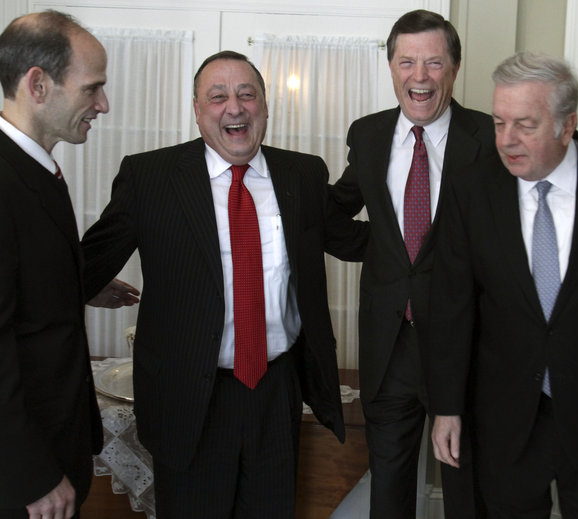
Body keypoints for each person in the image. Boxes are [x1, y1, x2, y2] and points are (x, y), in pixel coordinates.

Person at [81, 50, 367, 518]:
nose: (234, 108)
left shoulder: (303, 173)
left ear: (265, 106)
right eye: (218, 97)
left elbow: (353, 240)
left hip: (276, 391)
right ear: (197, 110)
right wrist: (84, 284)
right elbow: (84, 263)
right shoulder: (149, 177)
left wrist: (434, 225)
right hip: (189, 398)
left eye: (246, 94)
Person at [427, 51, 578, 519]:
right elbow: (452, 306)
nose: (506, 140)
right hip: (505, 415)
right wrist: (447, 408)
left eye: (525, 125)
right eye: (498, 121)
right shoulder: (472, 188)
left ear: (566, 126)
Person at [328, 9, 495, 518]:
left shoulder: (490, 138)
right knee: (389, 492)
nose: (419, 77)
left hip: (467, 346)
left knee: (468, 494)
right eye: (407, 62)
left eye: (433, 63)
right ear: (391, 67)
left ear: (455, 68)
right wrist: (382, 247)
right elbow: (335, 216)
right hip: (390, 343)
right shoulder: (370, 135)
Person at [0, 10, 138, 519]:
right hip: (23, 474)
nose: (102, 104)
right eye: (92, 88)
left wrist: (74, 284)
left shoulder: (35, 167)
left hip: (58, 443)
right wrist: (29, 471)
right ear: (38, 84)